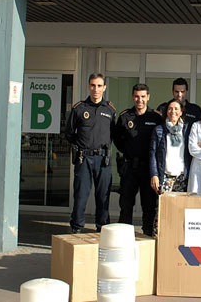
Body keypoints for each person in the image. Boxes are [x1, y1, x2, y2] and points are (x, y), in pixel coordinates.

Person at [65, 73, 116, 233]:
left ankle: (102, 229)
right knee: (80, 197)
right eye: (93, 85)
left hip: (103, 159)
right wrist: (80, 145)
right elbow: (68, 132)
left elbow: (113, 133)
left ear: (104, 88)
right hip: (84, 158)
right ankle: (77, 228)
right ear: (88, 86)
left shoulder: (110, 109)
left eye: (99, 86)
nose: (96, 89)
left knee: (103, 197)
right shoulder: (79, 108)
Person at [114, 83, 162, 236]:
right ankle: (124, 237)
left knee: (148, 205)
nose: (139, 100)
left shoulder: (155, 117)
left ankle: (147, 235)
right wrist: (128, 151)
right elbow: (117, 139)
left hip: (148, 168)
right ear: (132, 97)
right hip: (129, 167)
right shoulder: (125, 116)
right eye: (136, 96)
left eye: (142, 96)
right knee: (126, 204)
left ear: (148, 97)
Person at [149, 99, 193, 236]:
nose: (173, 111)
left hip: (182, 177)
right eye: (170, 109)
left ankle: (175, 240)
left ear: (181, 112)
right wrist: (154, 174)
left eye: (176, 109)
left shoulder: (187, 130)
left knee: (180, 212)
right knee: (162, 211)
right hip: (165, 177)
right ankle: (159, 240)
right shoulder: (159, 130)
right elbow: (153, 153)